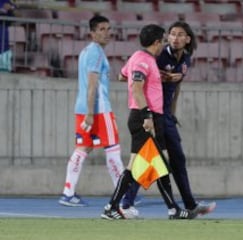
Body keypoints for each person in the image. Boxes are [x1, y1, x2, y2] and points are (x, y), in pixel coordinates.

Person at [120, 21, 216, 217]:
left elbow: (177, 87)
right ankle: (129, 204)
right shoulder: (157, 55)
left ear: (188, 39)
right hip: (152, 113)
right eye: (172, 34)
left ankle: (183, 206)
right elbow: (135, 77)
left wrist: (172, 112)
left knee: (167, 159)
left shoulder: (186, 59)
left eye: (180, 34)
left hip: (165, 115)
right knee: (152, 159)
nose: (174, 38)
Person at [101, 24, 195, 220]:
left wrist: (156, 77)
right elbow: (136, 88)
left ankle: (172, 209)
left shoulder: (139, 58)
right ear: (156, 42)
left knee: (158, 164)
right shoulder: (145, 60)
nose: (165, 44)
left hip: (150, 116)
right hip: (146, 117)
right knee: (145, 165)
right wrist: (147, 116)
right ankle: (112, 207)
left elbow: (122, 75)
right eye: (163, 40)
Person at [58, 15, 126, 207]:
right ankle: (123, 195)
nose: (107, 33)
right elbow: (92, 85)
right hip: (98, 110)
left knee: (83, 148)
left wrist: (86, 113)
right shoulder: (95, 52)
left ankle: (68, 193)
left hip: (83, 109)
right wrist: (90, 113)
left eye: (108, 28)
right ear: (92, 33)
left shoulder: (86, 51)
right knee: (112, 148)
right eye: (102, 29)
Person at [0, 0, 15, 72]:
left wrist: (10, 9)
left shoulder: (5, 1)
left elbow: (11, 19)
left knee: (4, 72)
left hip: (3, 47)